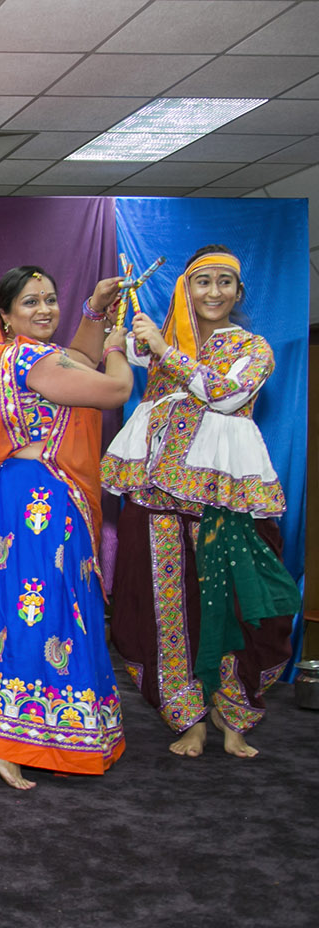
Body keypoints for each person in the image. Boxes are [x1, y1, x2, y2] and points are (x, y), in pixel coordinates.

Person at [101, 246, 297, 759]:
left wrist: (166, 348)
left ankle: (235, 715)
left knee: (234, 607)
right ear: (187, 288)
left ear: (238, 292)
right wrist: (116, 315)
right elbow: (115, 354)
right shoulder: (167, 343)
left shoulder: (254, 348)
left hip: (224, 502)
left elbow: (225, 396)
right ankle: (187, 717)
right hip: (156, 493)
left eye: (224, 283)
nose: (214, 292)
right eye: (202, 282)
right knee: (165, 607)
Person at [0, 266, 131, 790]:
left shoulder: (22, 355)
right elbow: (112, 387)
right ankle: (10, 740)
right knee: (38, 610)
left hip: (25, 494)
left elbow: (79, 360)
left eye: (51, 298)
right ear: (5, 316)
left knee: (25, 607)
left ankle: (26, 731)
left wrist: (94, 311)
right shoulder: (30, 358)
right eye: (30, 303)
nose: (45, 309)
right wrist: (119, 345)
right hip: (36, 503)